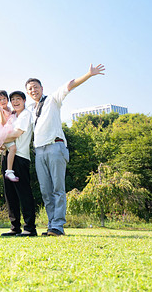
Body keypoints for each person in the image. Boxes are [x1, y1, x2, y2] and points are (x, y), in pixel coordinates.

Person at [26, 64, 105, 237]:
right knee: (45, 191)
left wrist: (89, 74)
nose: (33, 90)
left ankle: (58, 226)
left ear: (41, 88)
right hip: (39, 152)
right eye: (30, 89)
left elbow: (70, 85)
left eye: (35, 87)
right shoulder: (30, 110)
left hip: (55, 147)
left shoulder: (52, 99)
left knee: (57, 188)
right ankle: (51, 224)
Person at [0, 91, 37, 236]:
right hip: (7, 156)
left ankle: (29, 227)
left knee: (23, 192)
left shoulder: (26, 115)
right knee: (10, 194)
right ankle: (15, 227)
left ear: (24, 100)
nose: (15, 102)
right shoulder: (13, 116)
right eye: (12, 99)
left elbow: (16, 133)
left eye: (18, 99)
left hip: (20, 157)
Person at [0, 90, 19, 182]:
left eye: (4, 98)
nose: (2, 101)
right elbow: (3, 122)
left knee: (8, 149)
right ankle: (9, 171)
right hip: (1, 131)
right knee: (13, 148)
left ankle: (8, 167)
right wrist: (1, 112)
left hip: (7, 130)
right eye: (0, 100)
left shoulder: (9, 109)